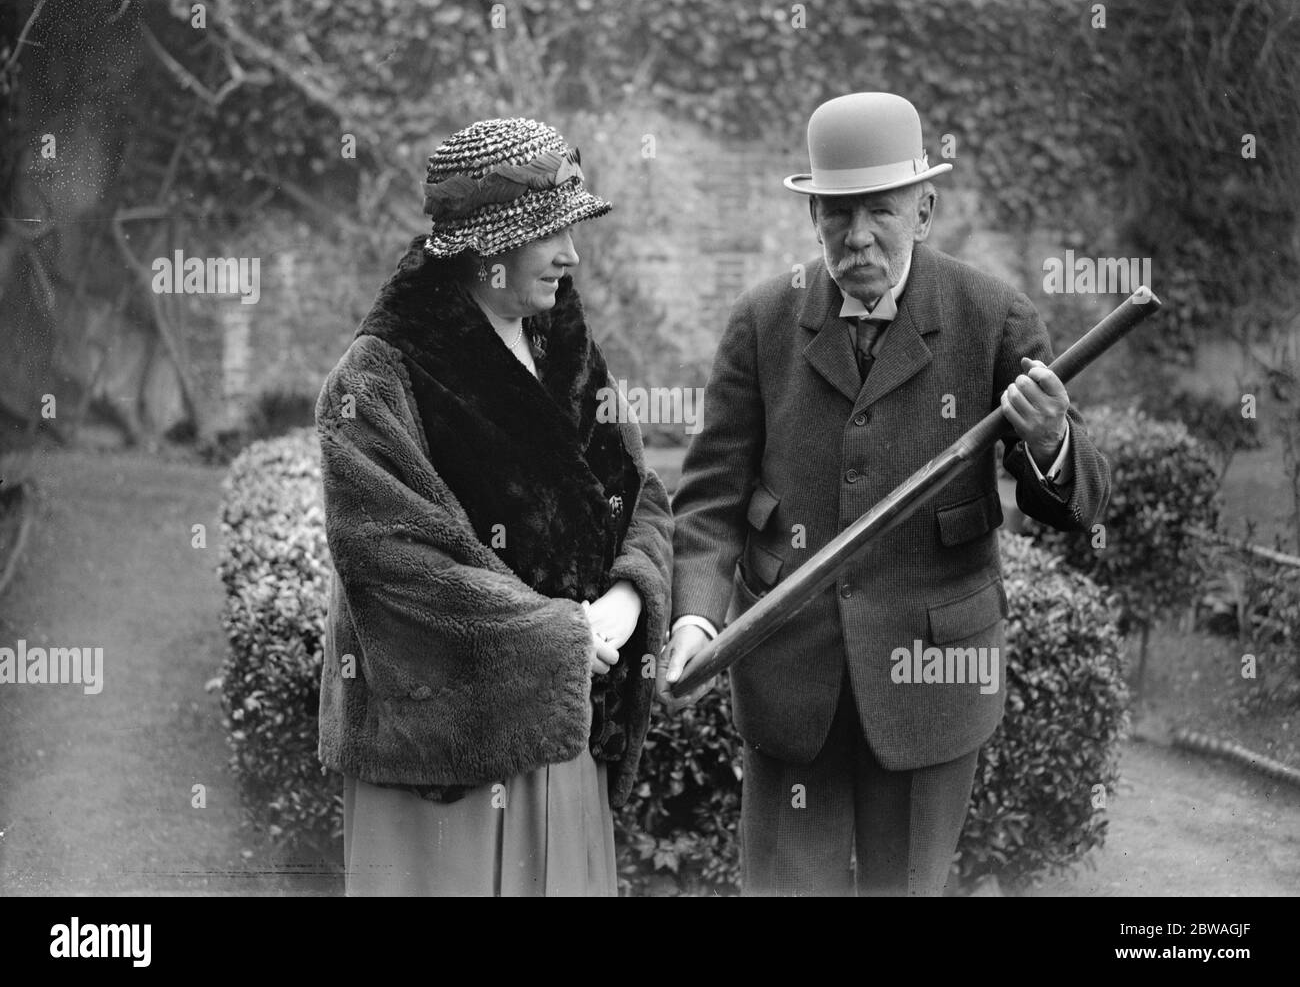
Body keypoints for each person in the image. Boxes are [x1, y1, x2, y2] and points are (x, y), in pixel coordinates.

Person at [658, 92, 1110, 896]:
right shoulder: (764, 320)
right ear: (813, 218)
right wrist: (695, 615)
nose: (857, 238)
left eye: (881, 212)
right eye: (836, 214)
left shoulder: (991, 317)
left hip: (932, 684)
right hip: (789, 680)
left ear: (925, 208)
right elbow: (709, 499)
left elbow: (1081, 504)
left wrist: (1050, 442)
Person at [315, 116, 672, 896]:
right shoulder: (375, 378)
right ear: (487, 245)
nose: (573, 254)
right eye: (552, 233)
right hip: (443, 766)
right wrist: (562, 635)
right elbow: (398, 570)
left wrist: (624, 591)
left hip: (562, 742)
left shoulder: (564, 348)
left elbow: (639, 495)